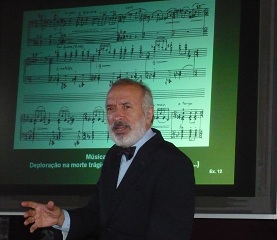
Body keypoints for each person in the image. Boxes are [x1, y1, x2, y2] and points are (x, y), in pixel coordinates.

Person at [21, 78, 195, 240]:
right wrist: (61, 218)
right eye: (110, 108)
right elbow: (97, 215)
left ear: (148, 115)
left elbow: (168, 234)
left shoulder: (173, 163)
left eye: (126, 107)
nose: (117, 117)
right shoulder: (113, 155)